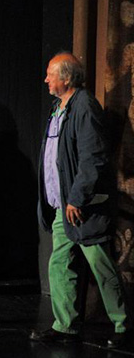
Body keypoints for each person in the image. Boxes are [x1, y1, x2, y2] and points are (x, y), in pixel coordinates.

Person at [30, 53, 128, 348]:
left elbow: (93, 158)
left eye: (50, 74)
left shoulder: (84, 107)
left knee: (100, 265)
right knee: (59, 264)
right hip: (63, 206)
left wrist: (77, 198)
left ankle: (124, 325)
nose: (46, 79)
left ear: (66, 77)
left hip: (83, 206)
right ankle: (65, 326)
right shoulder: (58, 108)